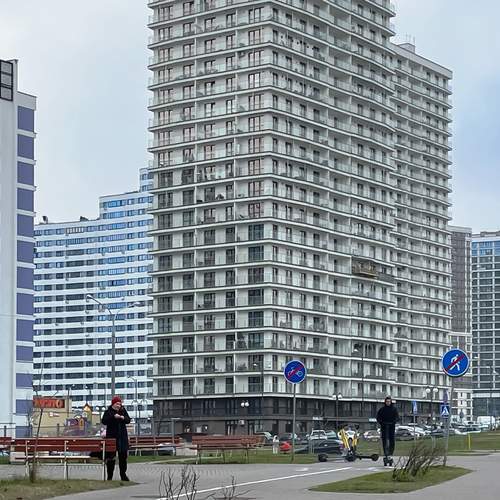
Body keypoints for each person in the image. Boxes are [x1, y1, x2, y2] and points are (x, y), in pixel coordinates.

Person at [101, 396, 131, 481]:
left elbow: (128, 420)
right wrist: (113, 417)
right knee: (111, 458)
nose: (119, 405)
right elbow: (104, 421)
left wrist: (122, 418)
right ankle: (110, 476)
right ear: (113, 404)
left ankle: (123, 475)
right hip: (112, 438)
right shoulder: (108, 412)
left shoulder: (123, 411)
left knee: (123, 457)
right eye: (117, 404)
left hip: (122, 438)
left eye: (120, 404)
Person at [376, 395, 399, 463]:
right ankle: (386, 453)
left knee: (392, 440)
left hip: (391, 426)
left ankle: (390, 453)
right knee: (385, 440)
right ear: (385, 402)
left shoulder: (394, 409)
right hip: (384, 426)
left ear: (391, 402)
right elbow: (378, 417)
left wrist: (394, 422)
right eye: (387, 401)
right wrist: (381, 422)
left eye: (389, 401)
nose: (388, 403)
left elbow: (397, 417)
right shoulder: (382, 409)